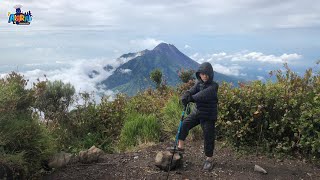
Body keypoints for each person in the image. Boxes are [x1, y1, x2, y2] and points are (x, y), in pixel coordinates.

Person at [170, 62, 219, 170]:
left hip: (208, 115)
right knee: (184, 124)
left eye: (207, 74)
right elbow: (192, 90)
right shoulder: (199, 83)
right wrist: (186, 94)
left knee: (208, 136)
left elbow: (203, 95)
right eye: (202, 74)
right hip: (197, 112)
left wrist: (191, 98)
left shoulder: (214, 86)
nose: (205, 76)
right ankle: (180, 148)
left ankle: (209, 159)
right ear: (199, 74)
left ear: (210, 74)